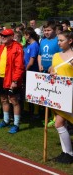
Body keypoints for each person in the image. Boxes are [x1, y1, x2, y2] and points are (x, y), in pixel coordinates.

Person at [0, 29, 25, 134]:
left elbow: (19, 67)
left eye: (5, 36)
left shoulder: (17, 48)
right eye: (2, 36)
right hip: (2, 78)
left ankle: (16, 124)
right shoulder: (1, 47)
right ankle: (6, 120)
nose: (2, 37)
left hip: (11, 79)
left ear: (12, 36)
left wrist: (15, 80)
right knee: (3, 99)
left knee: (14, 100)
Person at [50, 31, 73, 164]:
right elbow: (53, 69)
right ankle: (67, 153)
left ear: (70, 41)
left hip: (70, 94)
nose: (58, 43)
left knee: (60, 123)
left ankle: (68, 153)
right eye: (58, 40)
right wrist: (52, 72)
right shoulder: (56, 55)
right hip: (59, 95)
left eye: (61, 40)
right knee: (59, 123)